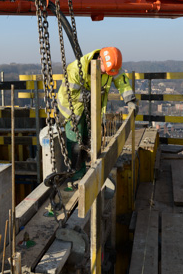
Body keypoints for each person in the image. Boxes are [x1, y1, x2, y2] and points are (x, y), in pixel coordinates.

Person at [57, 47, 137, 185]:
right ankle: (74, 176)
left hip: (90, 105)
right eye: (106, 70)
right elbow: (70, 95)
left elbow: (121, 81)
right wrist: (90, 95)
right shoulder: (75, 69)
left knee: (88, 138)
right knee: (75, 142)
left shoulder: (110, 66)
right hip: (71, 109)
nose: (108, 73)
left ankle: (82, 171)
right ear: (99, 59)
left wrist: (130, 99)